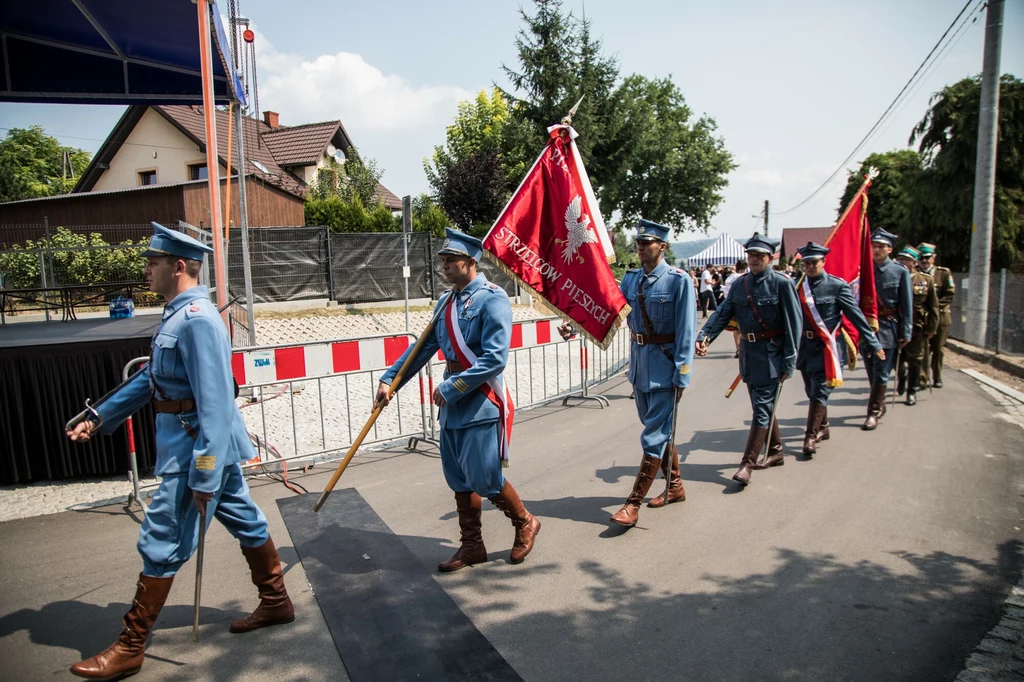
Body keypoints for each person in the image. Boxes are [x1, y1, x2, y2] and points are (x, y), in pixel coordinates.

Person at [65, 223, 294, 680]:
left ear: (180, 266)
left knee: (162, 540)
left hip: (197, 450)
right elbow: (154, 381)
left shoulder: (197, 321)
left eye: (153, 263)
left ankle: (131, 646)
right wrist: (101, 414)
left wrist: (203, 475)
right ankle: (276, 602)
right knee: (247, 520)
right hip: (202, 444)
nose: (146, 271)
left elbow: (213, 405)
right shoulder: (179, 314)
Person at [376, 227, 539, 571]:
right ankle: (472, 546)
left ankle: (525, 521)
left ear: (470, 261)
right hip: (453, 406)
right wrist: (391, 380)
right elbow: (423, 348)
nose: (444, 265)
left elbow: (495, 358)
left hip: (478, 400)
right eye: (443, 260)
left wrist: (450, 388)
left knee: (485, 477)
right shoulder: (446, 302)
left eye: (451, 260)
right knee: (459, 478)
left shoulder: (492, 297)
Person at [561, 218, 695, 526]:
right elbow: (609, 310)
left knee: (653, 436)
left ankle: (632, 505)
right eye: (638, 242)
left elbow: (687, 331)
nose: (640, 247)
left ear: (662, 246)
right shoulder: (632, 280)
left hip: (665, 369)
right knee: (659, 431)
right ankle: (674, 486)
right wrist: (575, 324)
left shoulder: (678, 281)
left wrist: (682, 374)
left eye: (647, 243)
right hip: (639, 369)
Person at [695, 233, 802, 486]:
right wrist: (705, 336)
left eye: (759, 255)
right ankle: (775, 451)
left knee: (762, 408)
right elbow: (722, 314)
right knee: (761, 407)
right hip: (749, 355)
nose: (753, 259)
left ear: (769, 258)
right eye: (750, 255)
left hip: (772, 356)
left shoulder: (782, 284)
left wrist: (789, 362)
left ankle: (747, 463)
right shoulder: (741, 285)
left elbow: (793, 326)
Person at [793, 242, 884, 455]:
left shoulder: (837, 286)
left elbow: (856, 316)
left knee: (819, 393)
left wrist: (873, 341)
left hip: (828, 349)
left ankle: (810, 437)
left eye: (814, 262)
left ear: (823, 262)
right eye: (806, 263)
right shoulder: (797, 286)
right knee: (811, 391)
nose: (810, 266)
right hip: (806, 347)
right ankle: (823, 427)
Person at [861, 228, 913, 430]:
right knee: (872, 373)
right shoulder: (864, 270)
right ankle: (879, 403)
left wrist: (906, 331)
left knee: (881, 372)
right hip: (867, 329)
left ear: (890, 249)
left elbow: (906, 305)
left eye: (881, 246)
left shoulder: (900, 272)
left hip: (888, 329)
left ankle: (872, 412)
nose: (876, 250)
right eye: (874, 246)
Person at [894, 246, 939, 406]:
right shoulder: (892, 278)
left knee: (915, 360)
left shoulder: (925, 280)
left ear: (915, 263)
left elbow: (933, 306)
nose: (903, 263)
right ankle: (902, 376)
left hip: (916, 326)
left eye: (907, 260)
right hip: (895, 326)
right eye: (901, 259)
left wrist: (932, 328)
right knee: (895, 359)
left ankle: (911, 391)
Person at [917, 242, 955, 388]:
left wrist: (933, 307)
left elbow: (949, 295)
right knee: (922, 350)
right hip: (921, 318)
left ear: (933, 258)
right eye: (921, 258)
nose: (924, 261)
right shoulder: (915, 274)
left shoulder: (943, 273)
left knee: (938, 349)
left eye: (927, 257)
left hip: (940, 317)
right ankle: (922, 378)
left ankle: (937, 376)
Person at [723, 260, 747, 358]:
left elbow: (726, 293)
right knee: (743, 329)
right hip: (744, 305)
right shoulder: (746, 277)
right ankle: (742, 349)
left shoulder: (731, 277)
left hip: (733, 305)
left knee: (736, 330)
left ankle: (738, 349)